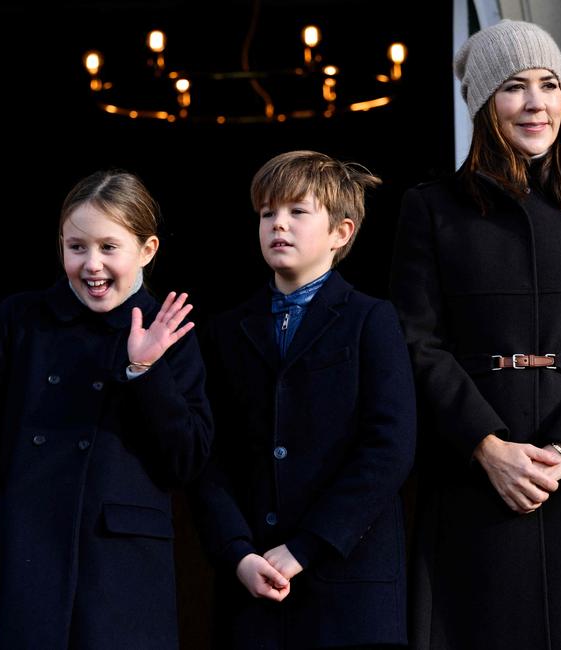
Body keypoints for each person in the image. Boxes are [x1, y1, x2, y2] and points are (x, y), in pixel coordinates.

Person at [390, 19, 561, 650]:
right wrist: (486, 446)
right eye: (513, 87)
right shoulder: (430, 208)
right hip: (472, 472)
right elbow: (416, 339)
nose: (536, 103)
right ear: (482, 104)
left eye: (549, 84)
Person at [190, 150, 417, 649]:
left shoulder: (371, 321)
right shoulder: (227, 330)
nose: (278, 225)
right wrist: (237, 553)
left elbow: (389, 447)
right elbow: (210, 456)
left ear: (342, 232)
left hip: (349, 589)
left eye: (297, 211)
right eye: (268, 213)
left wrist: (306, 545)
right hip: (252, 589)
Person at [0, 169, 213, 650]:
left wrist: (145, 368)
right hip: (24, 556)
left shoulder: (169, 328)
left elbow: (187, 460)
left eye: (109, 247)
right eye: (77, 247)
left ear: (147, 250)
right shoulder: (20, 320)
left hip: (120, 569)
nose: (92, 264)